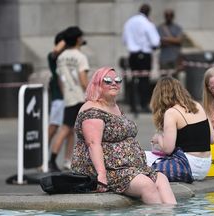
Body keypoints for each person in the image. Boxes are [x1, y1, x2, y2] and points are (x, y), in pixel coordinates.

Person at [71, 67, 176, 205]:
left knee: (161, 179)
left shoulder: (114, 106)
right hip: (107, 169)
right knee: (147, 185)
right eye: (107, 81)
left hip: (128, 168)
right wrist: (101, 175)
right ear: (97, 84)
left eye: (118, 80)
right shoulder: (92, 109)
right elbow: (93, 144)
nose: (114, 83)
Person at [145, 76, 214, 181]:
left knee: (142, 156)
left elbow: (168, 150)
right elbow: (212, 139)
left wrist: (159, 138)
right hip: (205, 167)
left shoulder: (171, 113)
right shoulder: (197, 106)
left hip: (187, 166)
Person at [48, 26, 89, 172]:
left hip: (68, 96)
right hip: (79, 97)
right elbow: (83, 79)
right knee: (67, 129)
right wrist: (89, 92)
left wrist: (66, 92)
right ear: (78, 39)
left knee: (70, 129)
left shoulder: (62, 57)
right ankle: (52, 160)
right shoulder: (80, 57)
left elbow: (60, 79)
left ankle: (65, 160)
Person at [123, 3, 160, 113]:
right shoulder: (147, 23)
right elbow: (155, 41)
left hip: (132, 55)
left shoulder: (129, 22)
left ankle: (133, 104)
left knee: (134, 79)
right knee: (144, 80)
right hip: (144, 54)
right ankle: (144, 105)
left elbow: (124, 40)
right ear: (148, 12)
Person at [46, 30, 74, 171]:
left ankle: (67, 160)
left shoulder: (70, 57)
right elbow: (54, 52)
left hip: (71, 98)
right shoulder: (54, 57)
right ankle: (44, 158)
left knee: (71, 129)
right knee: (53, 127)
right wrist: (64, 41)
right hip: (58, 98)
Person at [157, 9, 184, 75]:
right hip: (164, 58)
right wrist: (173, 40)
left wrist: (166, 39)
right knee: (164, 79)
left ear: (173, 16)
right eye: (167, 15)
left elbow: (179, 40)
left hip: (175, 58)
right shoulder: (160, 28)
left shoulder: (177, 28)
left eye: (170, 15)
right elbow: (160, 41)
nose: (168, 17)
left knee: (175, 79)